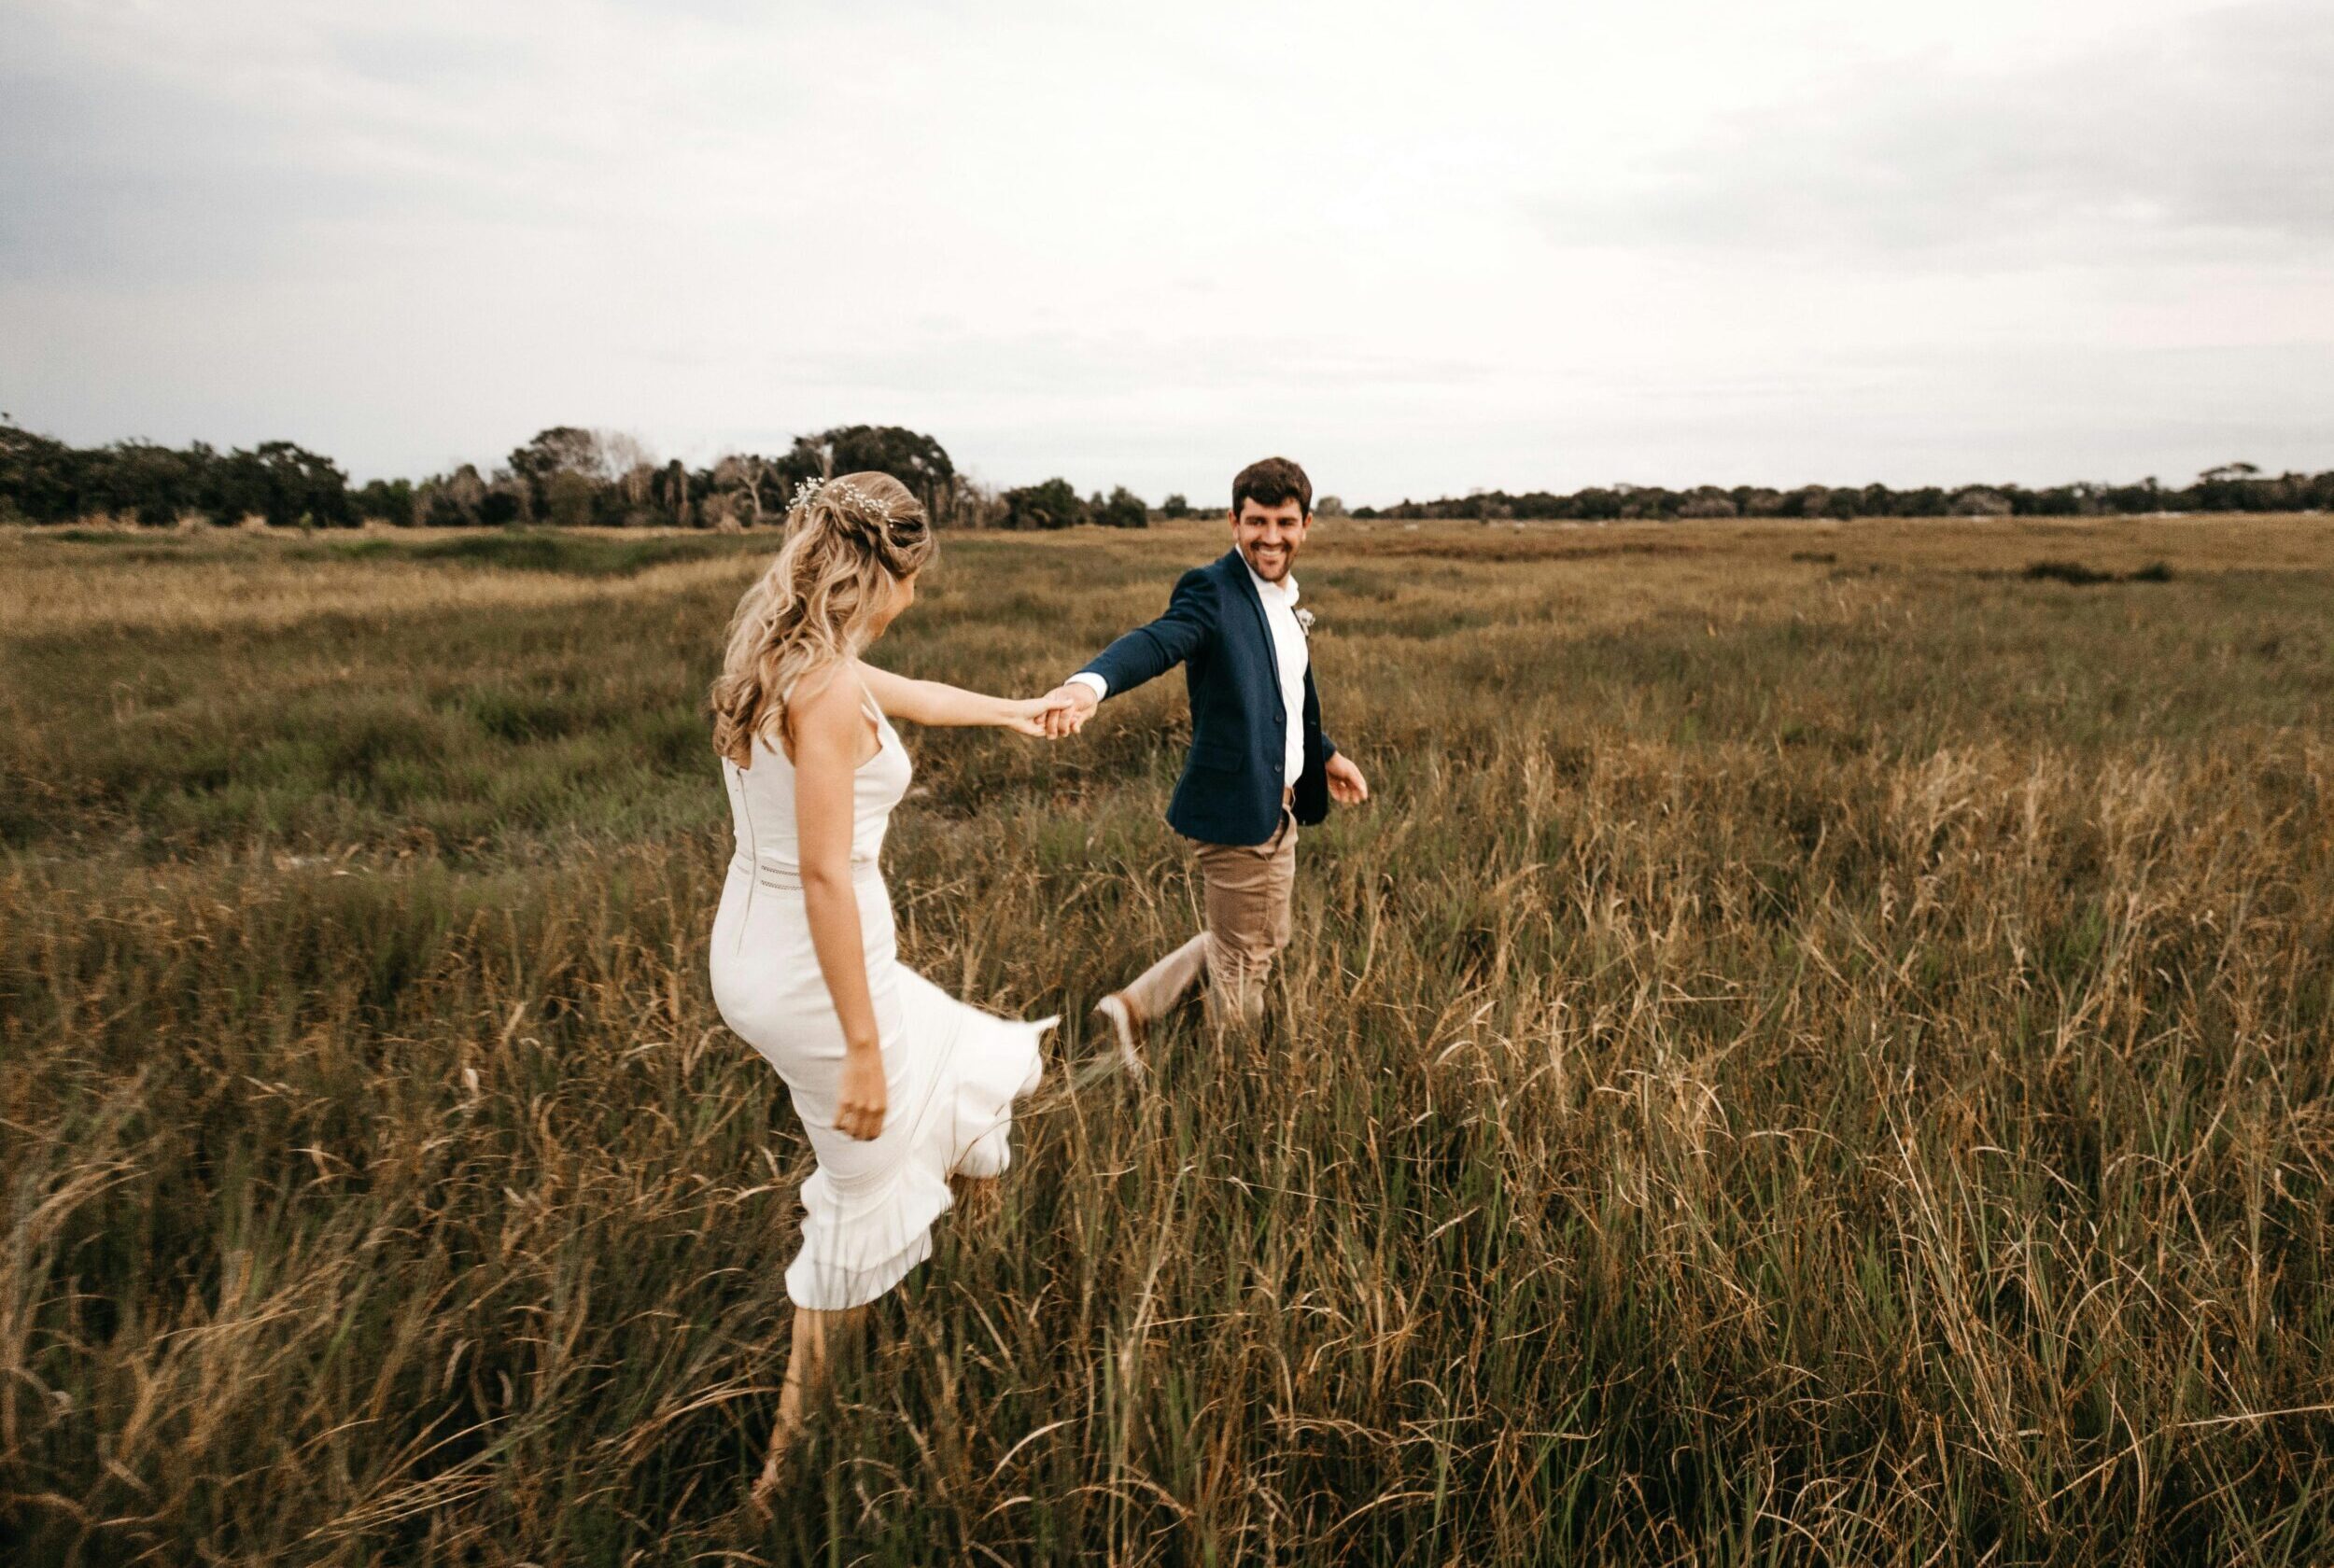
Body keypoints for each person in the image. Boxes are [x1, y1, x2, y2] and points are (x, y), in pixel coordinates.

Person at [705, 471, 1075, 1501]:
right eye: (916, 576)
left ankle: (976, 1272)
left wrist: (1015, 711)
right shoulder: (825, 691)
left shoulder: (788, 657)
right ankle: (781, 1481)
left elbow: (913, 695)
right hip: (814, 967)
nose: (917, 596)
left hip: (755, 947)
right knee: (859, 1198)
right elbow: (826, 875)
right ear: (885, 571)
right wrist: (863, 1048)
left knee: (966, 1053)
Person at [1042, 455, 1371, 1071]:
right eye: (1257, 522)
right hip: (1237, 807)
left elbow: (1284, 696)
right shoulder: (1212, 591)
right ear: (1233, 522)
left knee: (1258, 938)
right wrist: (1090, 684)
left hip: (1277, 805)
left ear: (1305, 526)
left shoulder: (1284, 599)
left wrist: (1325, 755)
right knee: (1247, 956)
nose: (1270, 537)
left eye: (1284, 523)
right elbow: (1158, 640)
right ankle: (1235, 1079)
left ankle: (1132, 1009)